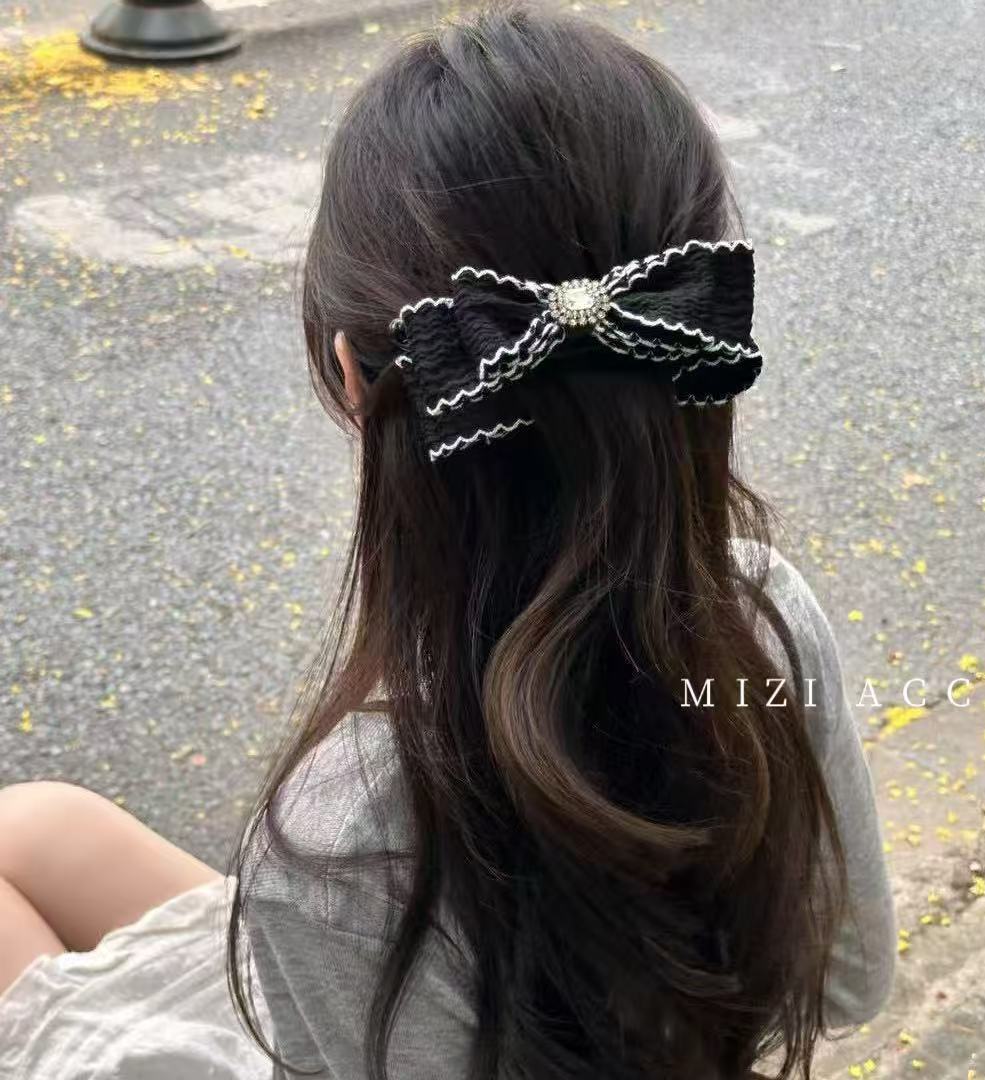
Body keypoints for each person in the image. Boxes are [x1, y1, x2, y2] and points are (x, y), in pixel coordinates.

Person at [0, 4, 897, 1079]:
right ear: (697, 334)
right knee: (34, 827)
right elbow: (849, 980)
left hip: (353, 989)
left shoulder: (339, 842)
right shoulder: (763, 627)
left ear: (351, 377)